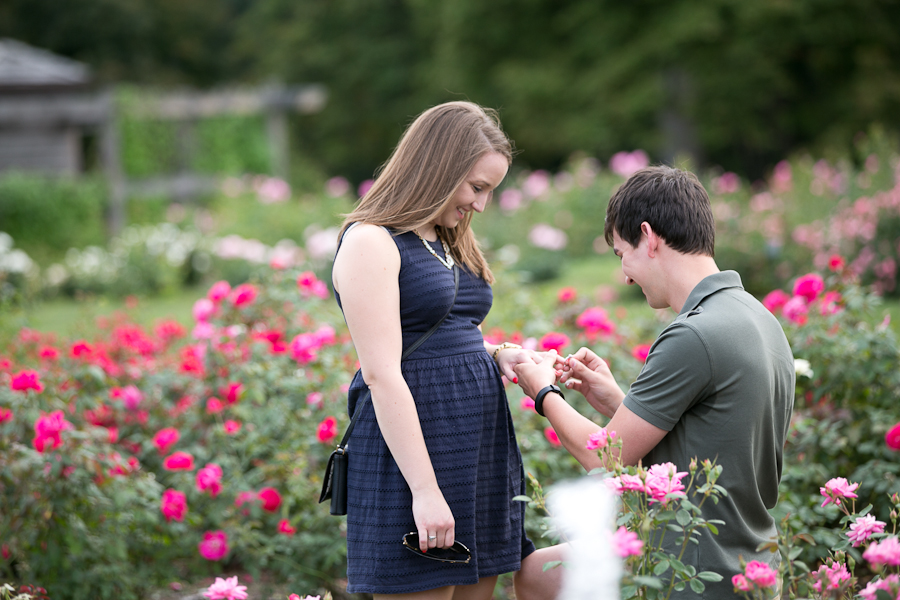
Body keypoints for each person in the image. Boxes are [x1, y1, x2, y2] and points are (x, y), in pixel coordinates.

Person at [512, 165, 796, 599]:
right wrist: (614, 400)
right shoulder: (757, 318)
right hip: (751, 562)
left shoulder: (693, 335)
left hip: (689, 563)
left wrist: (542, 391)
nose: (625, 275)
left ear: (649, 237)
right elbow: (710, 433)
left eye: (621, 253)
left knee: (533, 575)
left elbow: (607, 460)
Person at [330, 101, 538, 599]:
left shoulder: (446, 238)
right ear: (438, 168)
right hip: (416, 457)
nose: (481, 204)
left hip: (476, 449)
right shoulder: (371, 241)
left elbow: (444, 332)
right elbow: (382, 370)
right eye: (477, 187)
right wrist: (425, 491)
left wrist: (494, 352)